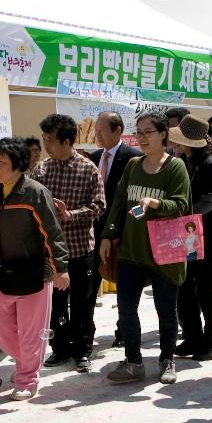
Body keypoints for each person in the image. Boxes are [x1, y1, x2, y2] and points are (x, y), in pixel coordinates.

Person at [99, 112, 191, 384]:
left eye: (147, 132)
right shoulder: (133, 166)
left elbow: (182, 206)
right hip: (132, 250)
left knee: (166, 310)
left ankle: (167, 359)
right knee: (126, 307)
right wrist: (109, 234)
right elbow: (119, 203)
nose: (141, 138)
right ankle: (134, 362)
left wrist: (157, 204)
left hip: (166, 251)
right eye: (138, 132)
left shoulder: (176, 167)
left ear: (163, 134)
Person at [0, 138, 70, 400]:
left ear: (18, 165)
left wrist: (60, 268)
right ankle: (27, 362)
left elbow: (51, 233)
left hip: (35, 273)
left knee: (32, 333)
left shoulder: (35, 192)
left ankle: (27, 378)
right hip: (3, 274)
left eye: (1, 162)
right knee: (2, 330)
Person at [32, 113, 105, 373]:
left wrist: (70, 214)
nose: (46, 145)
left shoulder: (88, 169)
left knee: (83, 303)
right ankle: (60, 348)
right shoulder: (42, 169)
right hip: (51, 252)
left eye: (49, 140)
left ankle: (83, 350)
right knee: (55, 303)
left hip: (79, 248)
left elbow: (98, 206)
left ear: (66, 141)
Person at [171, 114, 212, 361]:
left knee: (206, 288)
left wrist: (182, 212)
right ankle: (192, 337)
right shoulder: (183, 161)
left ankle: (211, 341)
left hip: (208, 235)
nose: (176, 145)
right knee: (184, 285)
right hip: (187, 232)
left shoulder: (210, 164)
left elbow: (209, 202)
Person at [89, 111, 143, 347]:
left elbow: (133, 200)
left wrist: (121, 231)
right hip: (93, 231)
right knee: (90, 283)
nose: (97, 135)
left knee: (123, 284)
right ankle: (85, 333)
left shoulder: (133, 158)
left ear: (118, 131)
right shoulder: (93, 157)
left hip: (121, 232)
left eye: (102, 130)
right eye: (97, 130)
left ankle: (123, 330)